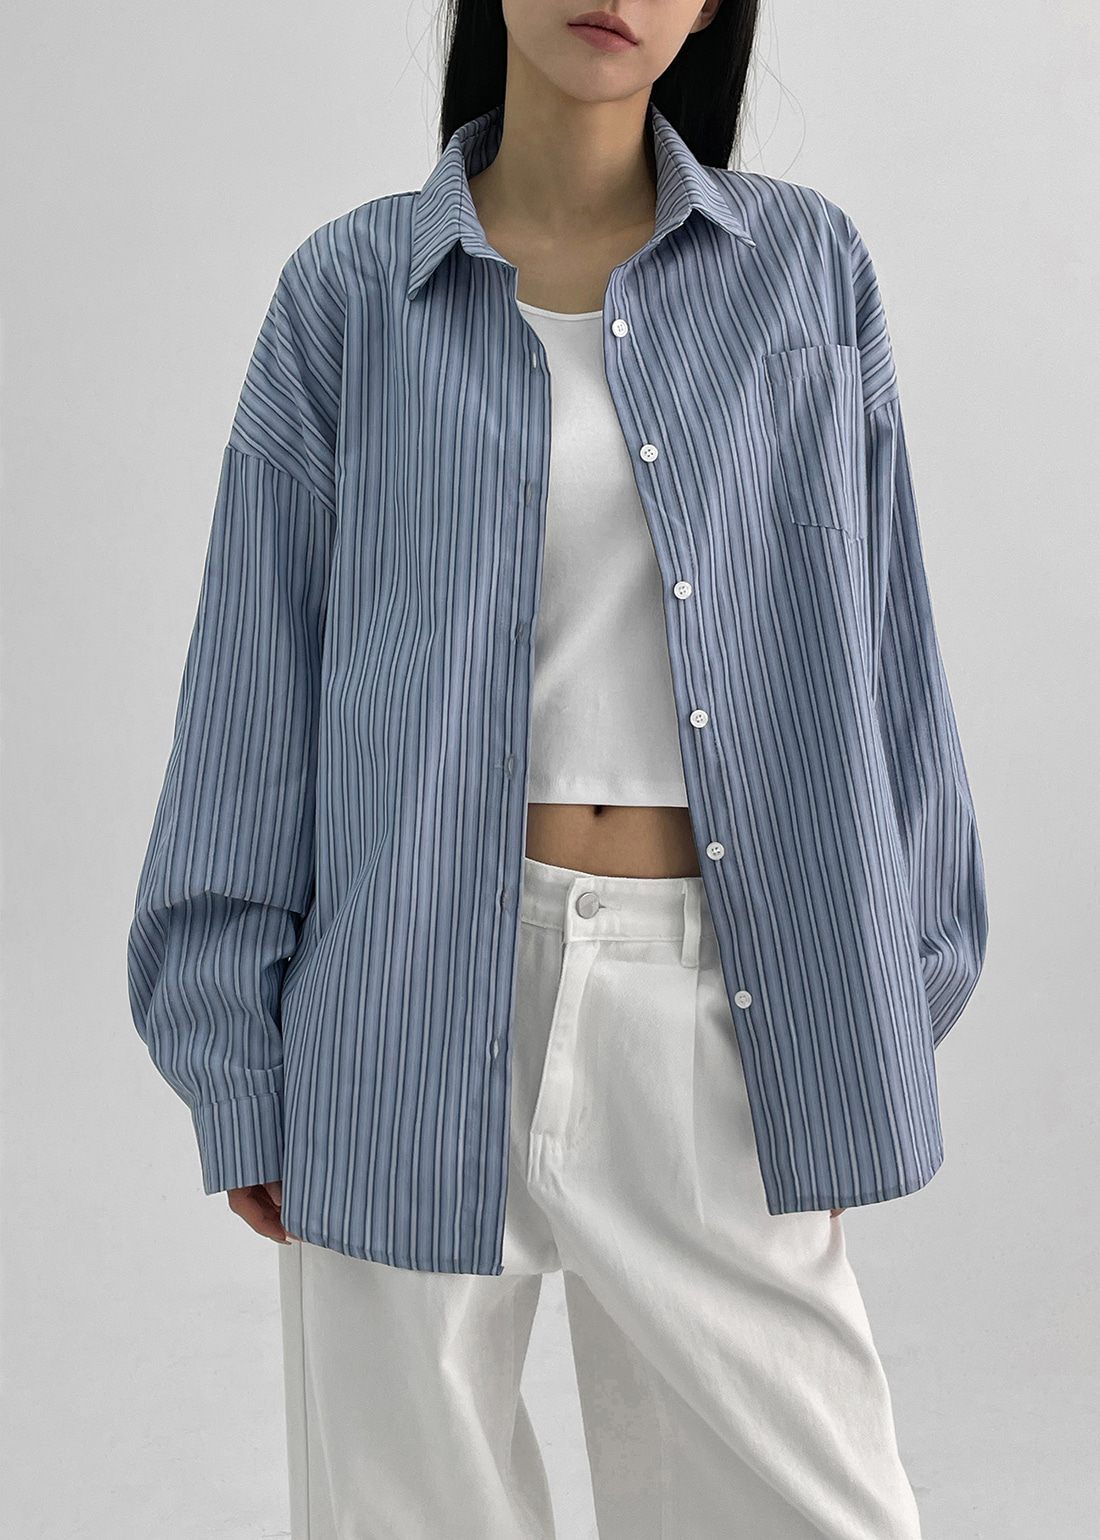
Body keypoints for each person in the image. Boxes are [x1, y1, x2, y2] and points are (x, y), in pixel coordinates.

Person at [127, 1, 988, 1535]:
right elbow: (253, 691)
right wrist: (235, 1053)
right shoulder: (351, 294)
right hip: (395, 998)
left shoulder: (805, 272)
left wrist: (873, 1008)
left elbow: (887, 664)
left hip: (718, 1000)